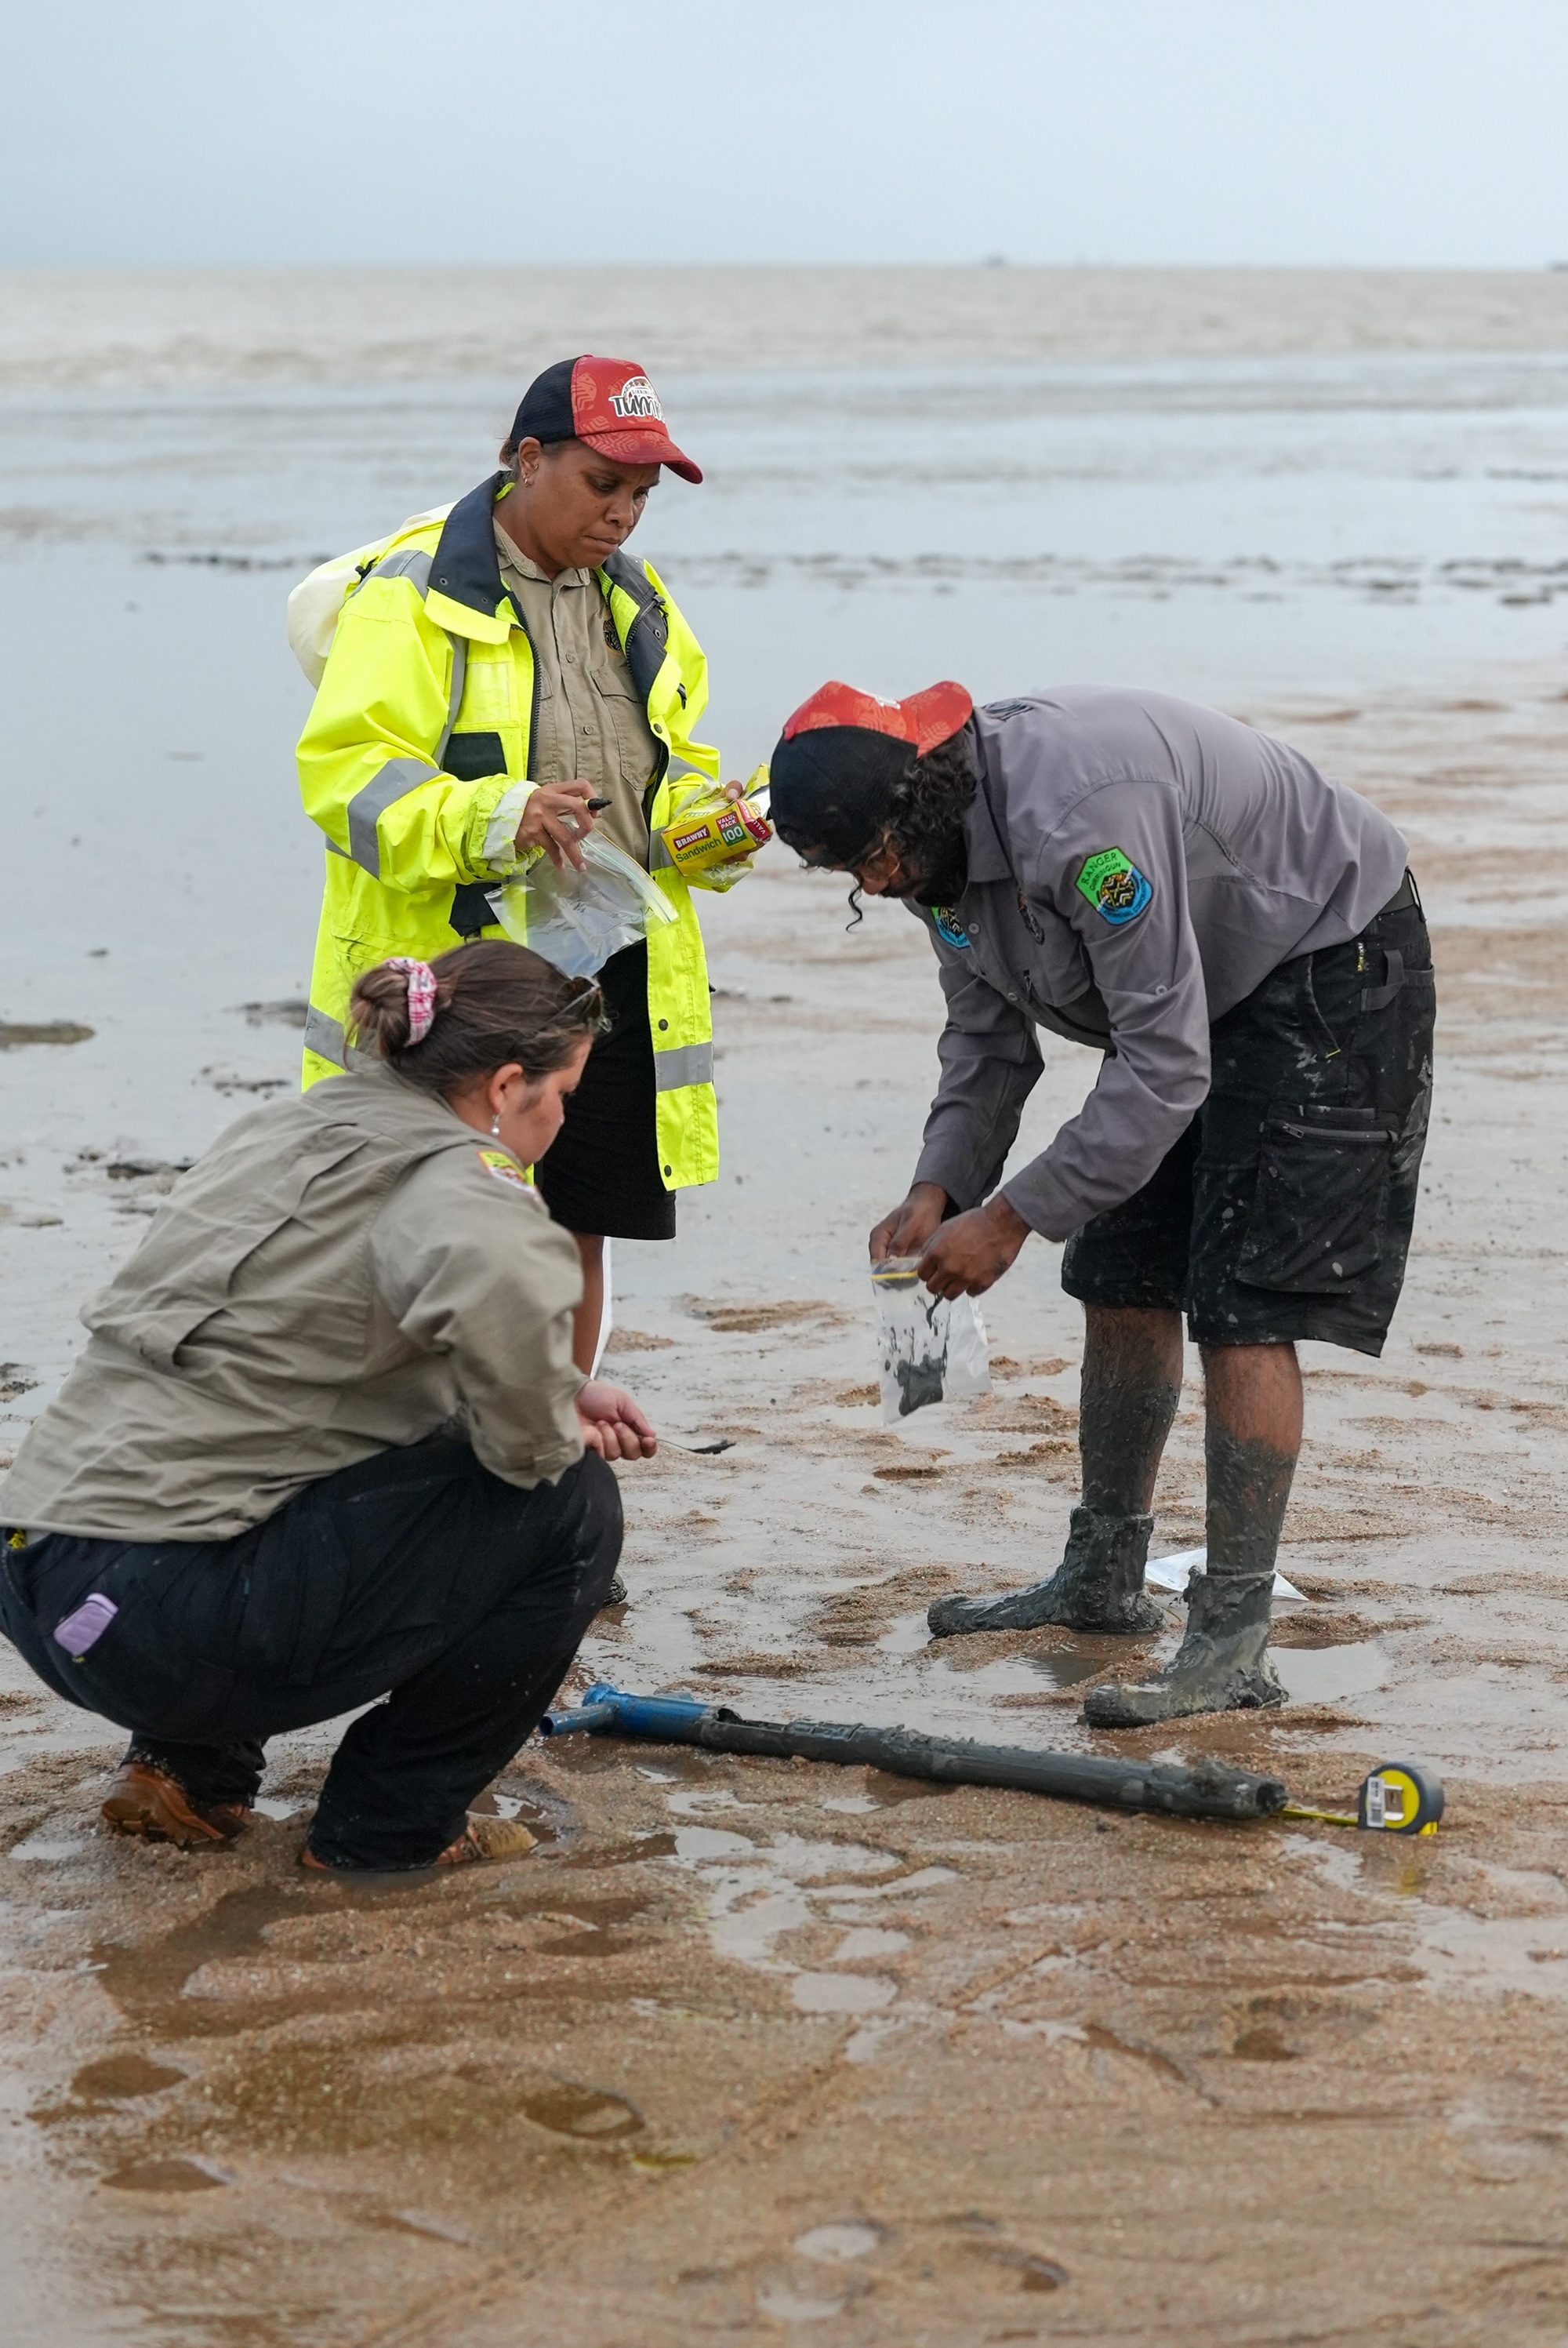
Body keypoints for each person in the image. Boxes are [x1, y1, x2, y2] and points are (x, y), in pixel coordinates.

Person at [768, 680, 1434, 1725]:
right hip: (1186, 983)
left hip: (1322, 952)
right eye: (846, 871)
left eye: (875, 858)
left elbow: (1163, 1068)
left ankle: (1231, 1641)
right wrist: (940, 1186)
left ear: (920, 801)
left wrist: (1009, 1218)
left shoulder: (1081, 827)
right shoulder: (930, 857)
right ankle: (1104, 1576)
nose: (874, 883)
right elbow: (985, 1042)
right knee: (1119, 1272)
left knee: (1242, 1302)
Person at [0, 944, 656, 1872]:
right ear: (508, 1086)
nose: (561, 1118)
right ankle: (390, 1829)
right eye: (564, 1095)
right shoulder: (470, 1184)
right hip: (162, 1633)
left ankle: (185, 1774)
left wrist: (552, 1385)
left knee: (280, 1442)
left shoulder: (281, 1126)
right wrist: (551, 1409)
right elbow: (523, 1446)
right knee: (569, 1504)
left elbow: (275, 1351)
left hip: (41, 1575)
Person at [294, 354, 761, 1375]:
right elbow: (346, 779)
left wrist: (709, 828)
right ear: (527, 458)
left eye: (641, 494)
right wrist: (499, 817)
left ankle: (554, 1433)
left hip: (608, 973)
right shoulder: (415, 592)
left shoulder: (638, 601)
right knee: (443, 1228)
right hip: (464, 978)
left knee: (574, 1225)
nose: (623, 513)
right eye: (603, 483)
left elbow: (670, 771)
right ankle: (438, 1440)